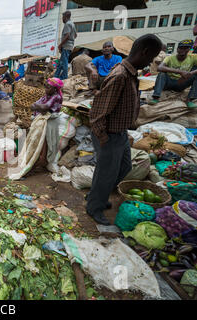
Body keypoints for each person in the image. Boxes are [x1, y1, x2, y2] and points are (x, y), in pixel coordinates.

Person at [86, 34, 163, 225]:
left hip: (119, 132)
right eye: (151, 58)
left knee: (123, 167)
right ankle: (95, 206)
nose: (150, 63)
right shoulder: (120, 76)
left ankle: (96, 196)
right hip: (109, 134)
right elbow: (97, 111)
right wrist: (103, 137)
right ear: (144, 52)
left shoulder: (130, 74)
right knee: (107, 173)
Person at [149, 40, 197, 108]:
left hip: (181, 83)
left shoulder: (193, 57)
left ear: (189, 49)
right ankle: (156, 97)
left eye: (186, 48)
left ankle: (189, 100)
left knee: (195, 76)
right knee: (162, 74)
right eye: (181, 48)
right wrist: (180, 72)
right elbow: (159, 68)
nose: (183, 50)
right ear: (177, 49)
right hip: (169, 83)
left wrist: (190, 73)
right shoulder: (170, 57)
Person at [54, 11, 77, 80]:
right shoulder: (72, 24)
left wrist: (60, 45)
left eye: (62, 17)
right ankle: (56, 76)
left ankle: (64, 77)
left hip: (66, 46)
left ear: (65, 17)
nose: (62, 19)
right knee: (61, 63)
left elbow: (67, 35)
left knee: (64, 63)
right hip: (69, 46)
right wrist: (71, 41)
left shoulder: (68, 24)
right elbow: (75, 35)